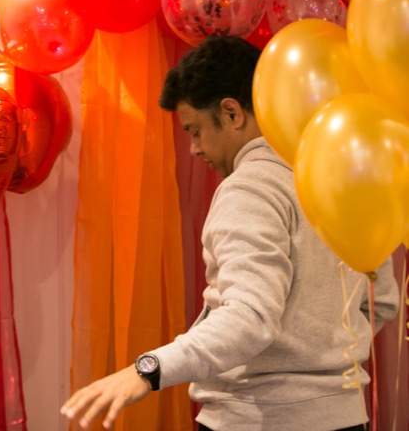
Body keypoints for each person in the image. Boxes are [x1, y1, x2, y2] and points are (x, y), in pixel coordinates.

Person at [61, 36, 399, 430]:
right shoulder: (341, 177)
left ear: (232, 112)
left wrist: (147, 370)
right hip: (346, 419)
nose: (193, 148)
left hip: (256, 420)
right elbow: (382, 299)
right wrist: (325, 350)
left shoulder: (250, 187)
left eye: (195, 130)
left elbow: (249, 318)